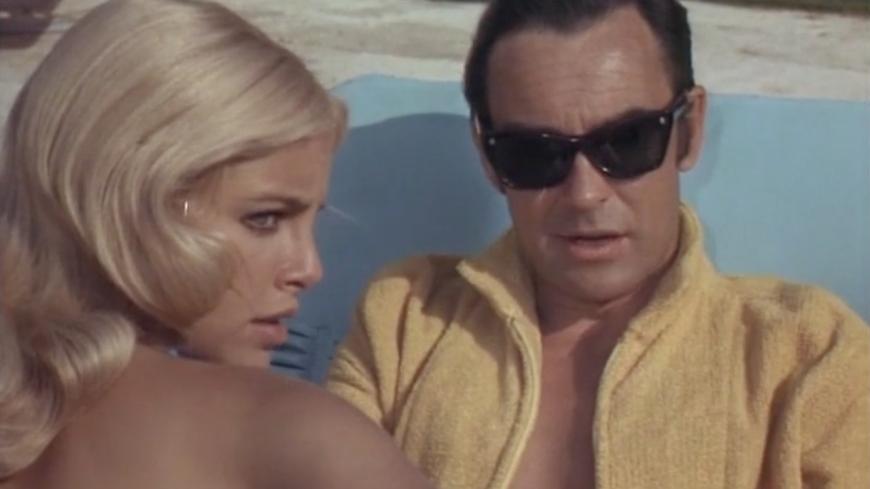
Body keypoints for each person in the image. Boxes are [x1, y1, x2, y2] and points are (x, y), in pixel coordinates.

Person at [326, 0, 870, 488]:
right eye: (535, 153)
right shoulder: (404, 320)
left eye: (627, 142)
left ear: (689, 130)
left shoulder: (810, 354)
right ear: (487, 155)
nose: (585, 194)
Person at [0, 1, 432, 488]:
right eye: (264, 219)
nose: (309, 269)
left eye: (313, 221)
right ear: (134, 206)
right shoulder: (300, 438)